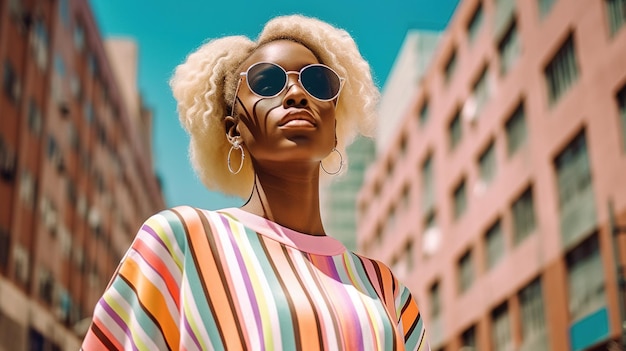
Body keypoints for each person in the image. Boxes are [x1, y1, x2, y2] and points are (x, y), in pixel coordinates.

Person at [81, 15, 430, 351]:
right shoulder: (180, 242)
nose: (296, 93)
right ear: (233, 129)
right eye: (267, 83)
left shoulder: (386, 289)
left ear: (334, 128)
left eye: (317, 83)